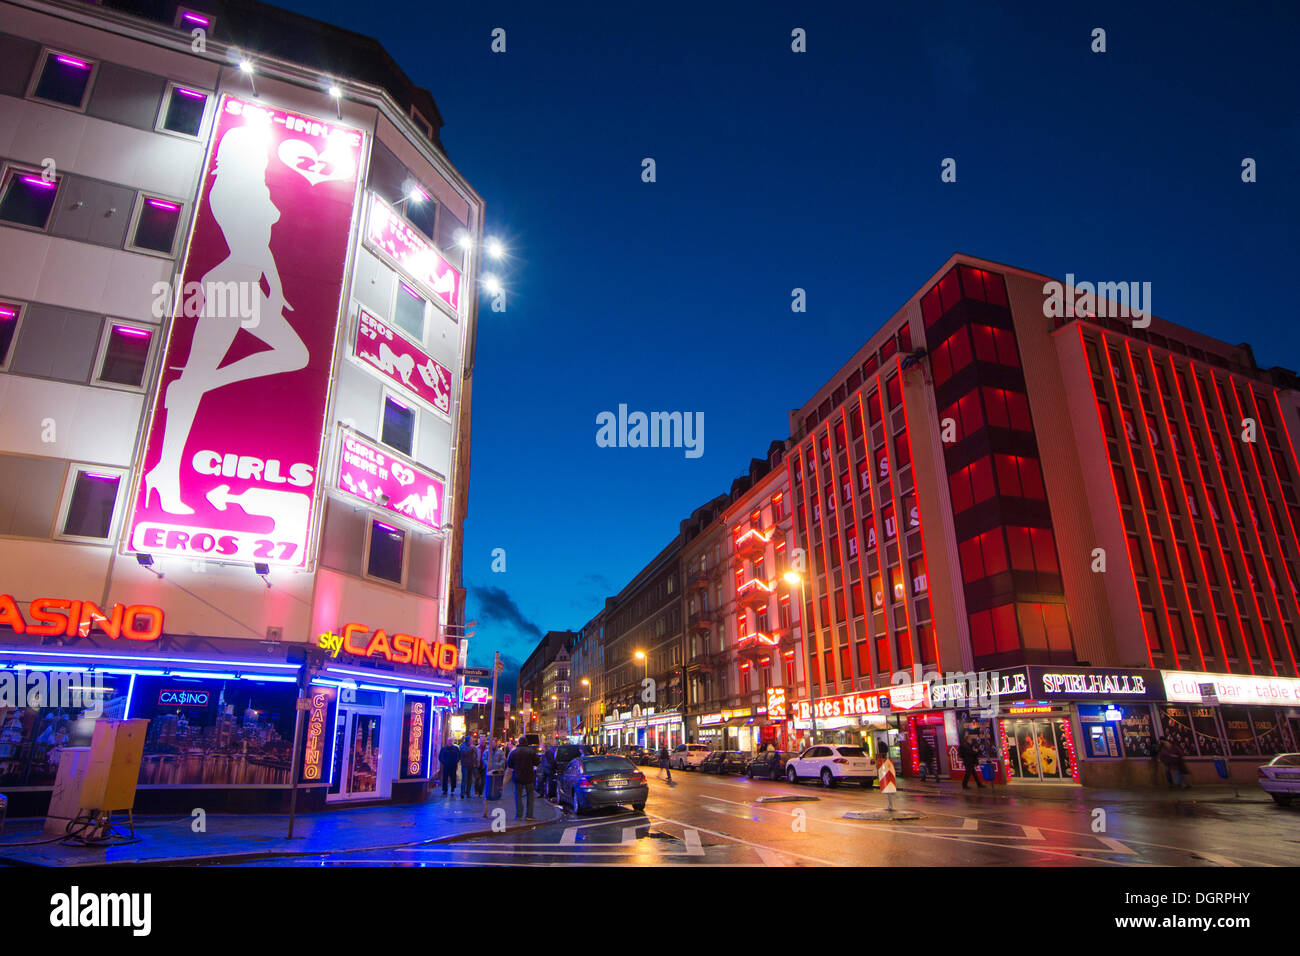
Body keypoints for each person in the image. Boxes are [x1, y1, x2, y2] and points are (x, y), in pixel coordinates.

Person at [507, 736, 541, 820]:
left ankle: (519, 815)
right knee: (530, 796)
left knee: (518, 797)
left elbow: (509, 764)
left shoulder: (514, 752)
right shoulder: (531, 752)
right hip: (529, 777)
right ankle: (529, 815)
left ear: (519, 742)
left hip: (517, 777)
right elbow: (537, 762)